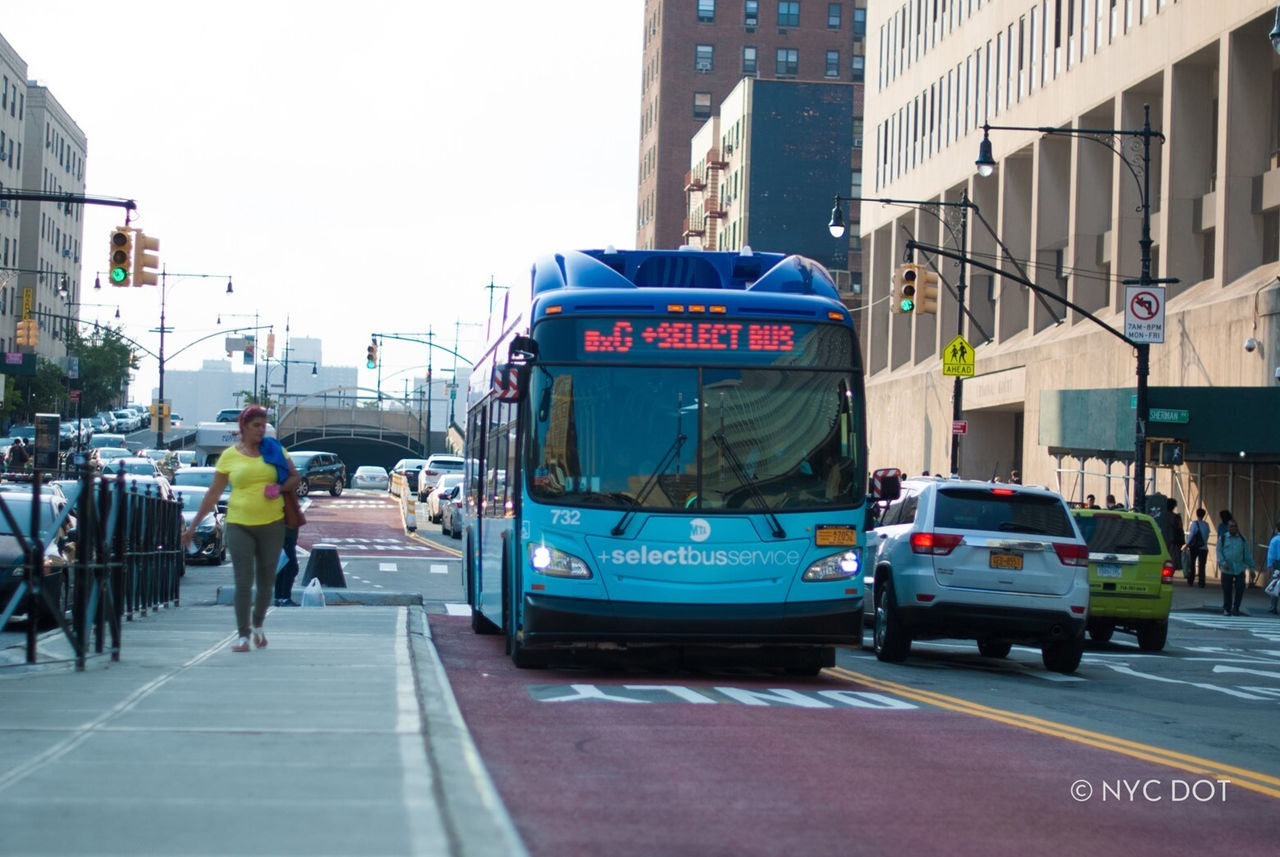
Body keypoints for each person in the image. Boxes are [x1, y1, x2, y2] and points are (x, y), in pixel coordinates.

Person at [183, 406, 299, 652]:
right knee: (243, 580)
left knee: (267, 582)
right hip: (238, 523)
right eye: (256, 425)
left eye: (263, 425)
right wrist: (193, 526)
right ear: (243, 428)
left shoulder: (275, 450)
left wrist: (279, 489)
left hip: (272, 523)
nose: (261, 430)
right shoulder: (229, 457)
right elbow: (213, 493)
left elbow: (294, 478)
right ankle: (243, 636)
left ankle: (258, 623)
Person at [1216, 518, 1255, 616]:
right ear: (1228, 528)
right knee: (1227, 590)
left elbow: (1247, 555)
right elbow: (1219, 552)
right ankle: (1227, 608)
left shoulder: (1242, 539)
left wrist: (1251, 568)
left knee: (1240, 588)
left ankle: (1236, 608)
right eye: (1231, 526)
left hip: (1239, 568)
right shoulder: (1223, 538)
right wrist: (1223, 562)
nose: (1234, 528)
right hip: (1227, 569)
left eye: (1235, 526)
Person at [274, 526, 301, 607]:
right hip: (286, 535)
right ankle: (285, 598)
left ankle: (279, 597)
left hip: (283, 535)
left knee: (283, 566)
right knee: (292, 567)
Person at [1184, 507, 1211, 588]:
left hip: (1195, 547)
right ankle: (1201, 582)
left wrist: (1187, 544)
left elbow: (1191, 534)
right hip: (1204, 547)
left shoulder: (1195, 524)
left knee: (1192, 563)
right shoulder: (1206, 525)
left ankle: (1191, 580)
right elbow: (1207, 534)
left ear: (1197, 514)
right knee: (1202, 565)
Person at [1265, 520, 1280, 615]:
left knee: (1275, 584)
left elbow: (1271, 555)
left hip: (1277, 564)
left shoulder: (1275, 540)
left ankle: (1273, 606)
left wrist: (1269, 567)